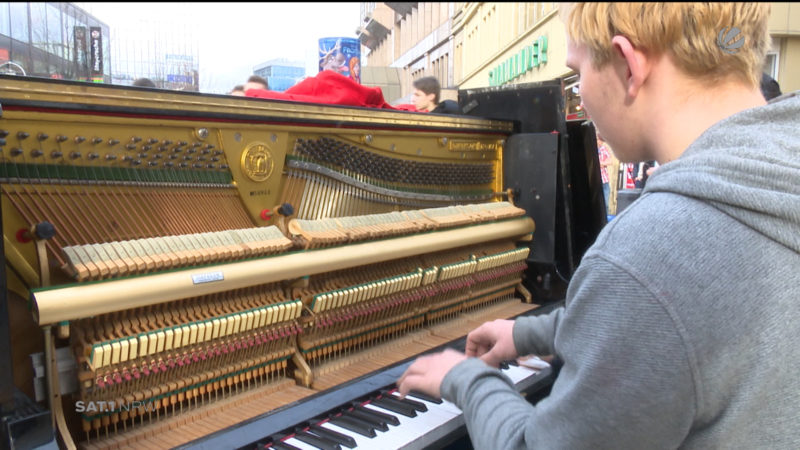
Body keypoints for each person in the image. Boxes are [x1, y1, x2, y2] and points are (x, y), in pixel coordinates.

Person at [397, 3, 800, 449]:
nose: (581, 97)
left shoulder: (651, 253)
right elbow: (697, 319)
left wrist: (466, 379)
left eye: (578, 71)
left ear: (628, 64)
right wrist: (536, 331)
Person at [596, 137, 613, 213]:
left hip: (604, 180)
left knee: (605, 203)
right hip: (596, 181)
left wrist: (602, 163)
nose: (601, 142)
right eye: (600, 140)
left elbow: (610, 161)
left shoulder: (603, 149)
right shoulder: (591, 148)